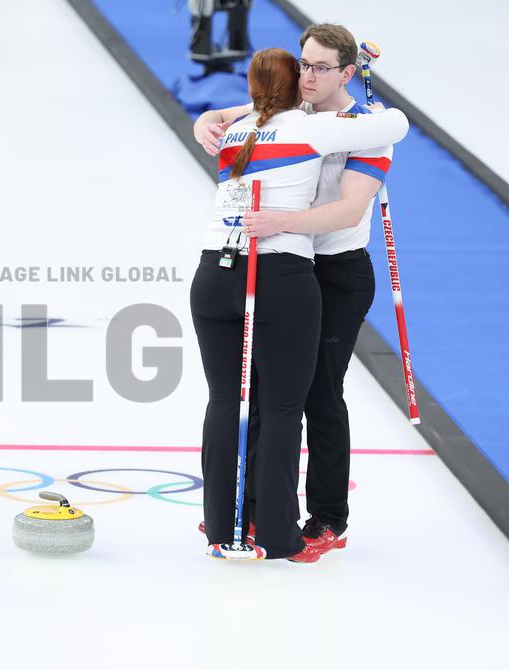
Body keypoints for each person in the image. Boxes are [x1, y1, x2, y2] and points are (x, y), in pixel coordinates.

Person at [190, 48, 408, 561]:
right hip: (281, 270)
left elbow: (353, 205)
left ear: (347, 73)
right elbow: (394, 123)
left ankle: (321, 516)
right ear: (294, 81)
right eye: (304, 66)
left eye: (321, 67)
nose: (310, 74)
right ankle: (261, 519)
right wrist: (211, 116)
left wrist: (281, 220)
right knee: (270, 401)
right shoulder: (305, 124)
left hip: (326, 269)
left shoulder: (323, 123)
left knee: (313, 395)